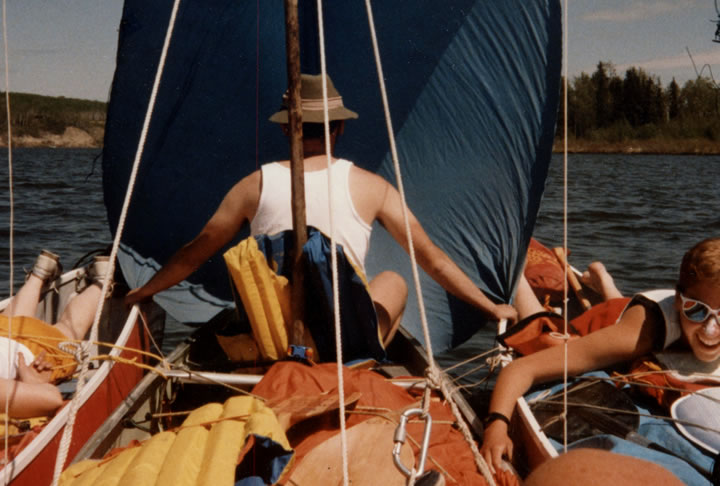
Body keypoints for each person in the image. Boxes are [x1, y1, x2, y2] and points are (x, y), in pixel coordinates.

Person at [124, 73, 517, 348]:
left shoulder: (251, 185)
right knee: (394, 279)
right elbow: (432, 260)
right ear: (339, 128)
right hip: (339, 342)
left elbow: (195, 252)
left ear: (285, 129)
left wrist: (143, 291)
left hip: (273, 337)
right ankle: (361, 362)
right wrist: (490, 305)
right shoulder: (372, 187)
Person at [481, 237, 720, 473]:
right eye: (696, 310)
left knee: (626, 313)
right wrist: (497, 423)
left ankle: (603, 280)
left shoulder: (704, 318)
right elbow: (522, 368)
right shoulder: (640, 334)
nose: (711, 330)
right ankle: (517, 268)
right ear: (679, 301)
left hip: (635, 318)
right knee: (542, 330)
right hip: (610, 326)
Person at [0, 250, 109, 418]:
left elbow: (52, 399)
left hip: (34, 351)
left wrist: (33, 382)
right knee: (14, 321)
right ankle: (40, 273)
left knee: (68, 329)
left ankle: (100, 283)